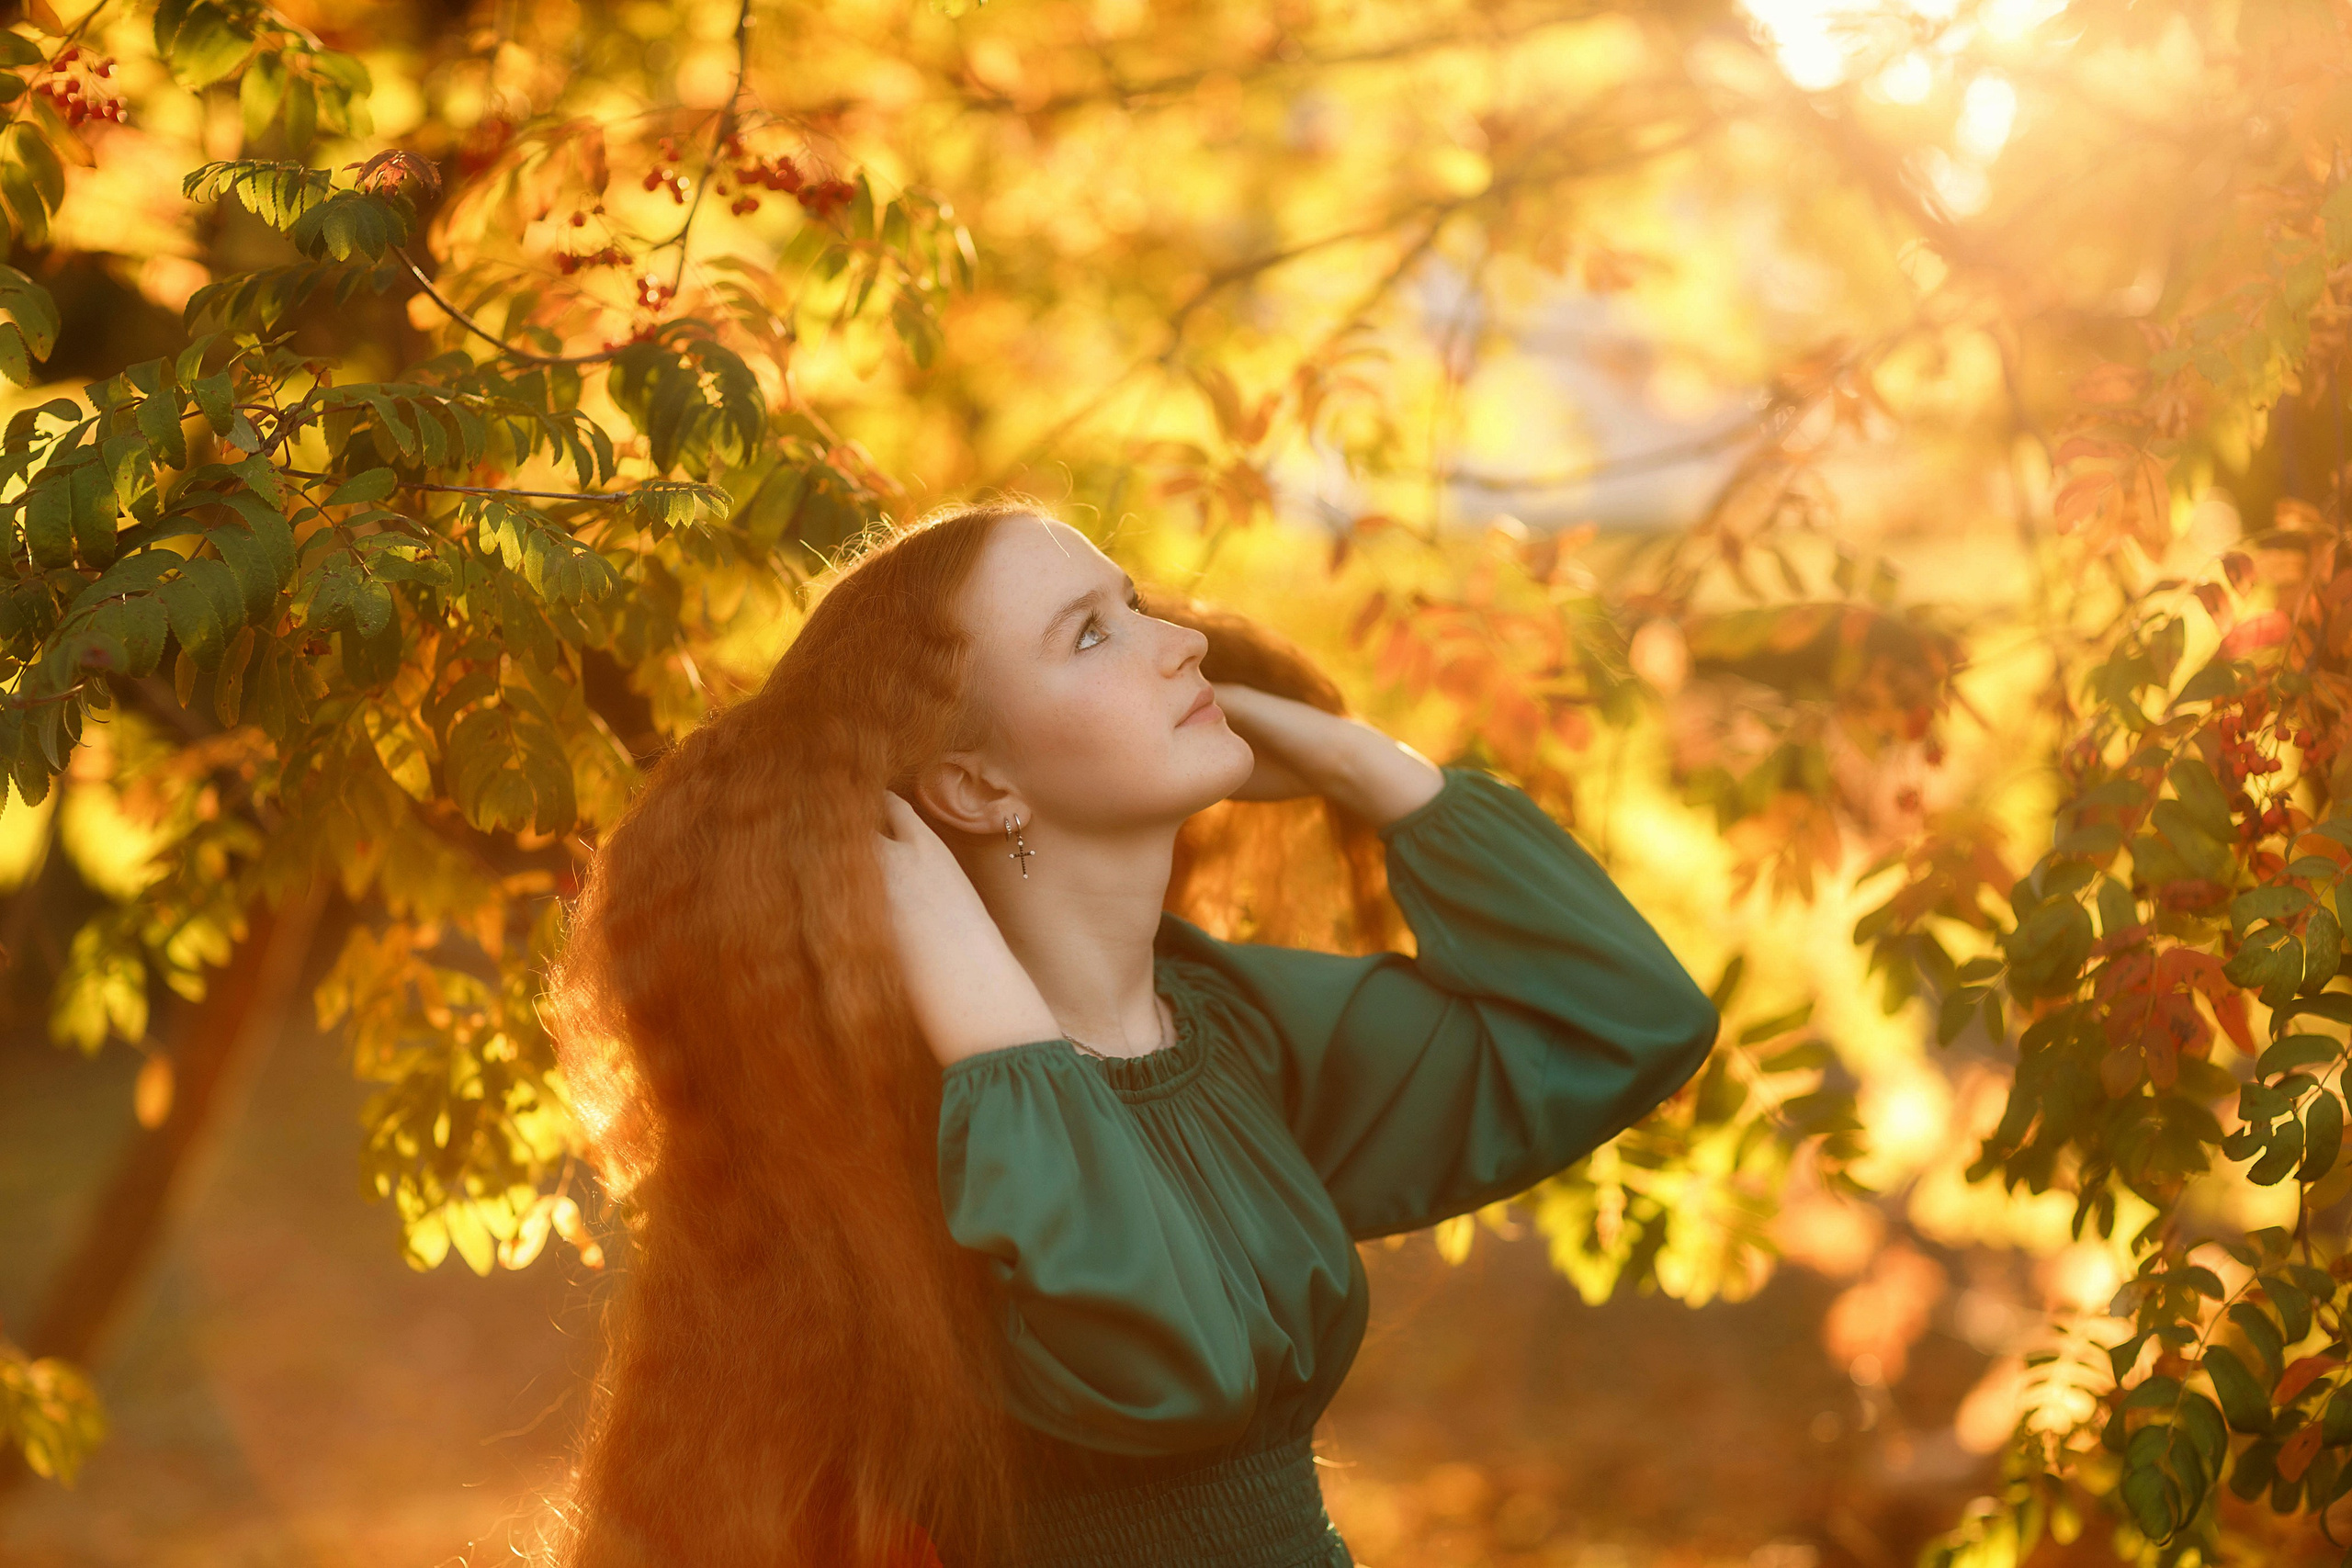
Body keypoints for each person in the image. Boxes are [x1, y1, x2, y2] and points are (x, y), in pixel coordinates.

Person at [539, 498, 1721, 1568]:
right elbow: (1172, 1369)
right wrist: (1004, 1037)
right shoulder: (917, 1123)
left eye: (1135, 603)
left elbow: (1625, 1022)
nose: (1182, 643)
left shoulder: (1226, 1028)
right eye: (1090, 635)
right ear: (976, 787)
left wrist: (1362, 762)